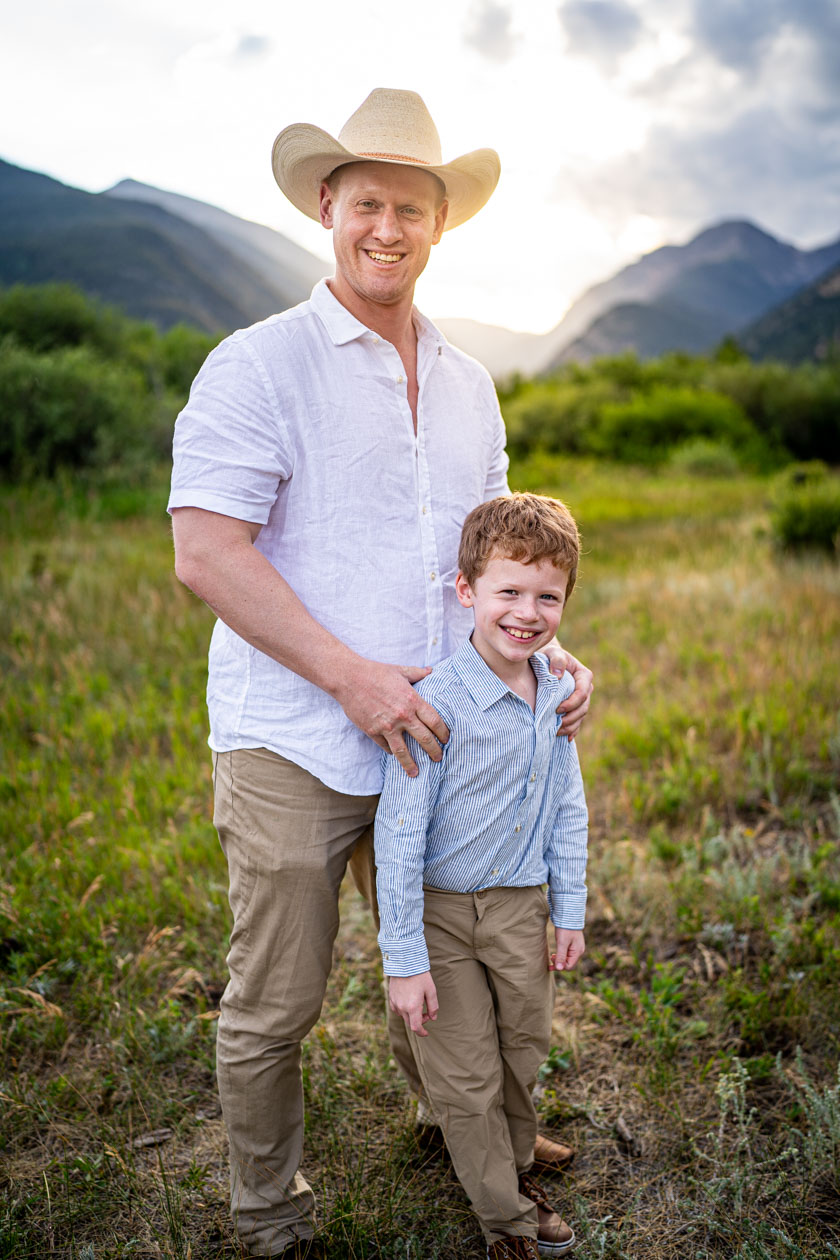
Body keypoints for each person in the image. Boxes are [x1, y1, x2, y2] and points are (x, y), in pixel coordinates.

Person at [169, 88, 593, 1259]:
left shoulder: (469, 383)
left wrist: (545, 653)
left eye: (412, 207)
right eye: (368, 204)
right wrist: (353, 679)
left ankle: (464, 1126)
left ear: (441, 223)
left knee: (446, 961)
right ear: (327, 206)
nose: (388, 228)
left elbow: (488, 559)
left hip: (439, 738)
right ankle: (266, 1211)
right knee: (279, 1000)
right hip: (296, 738)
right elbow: (205, 553)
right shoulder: (257, 365)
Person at [376, 493, 588, 1259]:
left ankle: (515, 1149)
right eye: (508, 591)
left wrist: (570, 909)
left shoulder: (557, 694)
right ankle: (505, 1213)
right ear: (466, 591)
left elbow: (567, 807)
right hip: (440, 912)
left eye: (547, 596)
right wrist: (404, 959)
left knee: (523, 1044)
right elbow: (397, 837)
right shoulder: (436, 704)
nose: (527, 613)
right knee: (465, 1070)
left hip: (520, 905)